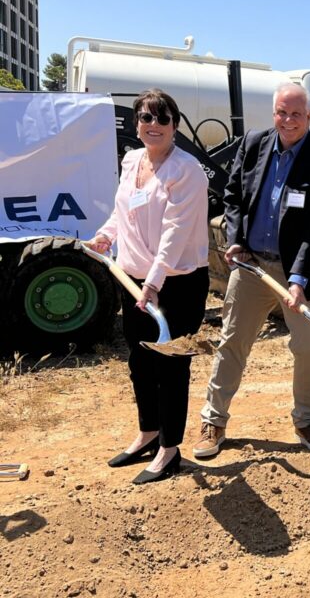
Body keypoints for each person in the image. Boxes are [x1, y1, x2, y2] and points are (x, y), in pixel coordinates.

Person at [193, 83, 310, 458]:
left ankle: (307, 420)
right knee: (232, 342)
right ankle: (213, 421)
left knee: (309, 349)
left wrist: (297, 279)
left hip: (306, 275)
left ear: (309, 117)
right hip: (252, 265)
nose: (287, 121)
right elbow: (233, 196)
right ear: (273, 113)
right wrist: (235, 239)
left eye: (295, 114)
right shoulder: (254, 144)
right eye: (281, 112)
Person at [88, 89, 209, 484]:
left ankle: (170, 449)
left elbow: (175, 232)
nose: (152, 125)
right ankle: (148, 432)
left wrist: (153, 284)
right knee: (139, 362)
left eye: (161, 118)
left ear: (174, 125)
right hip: (133, 277)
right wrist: (107, 236)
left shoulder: (186, 170)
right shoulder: (131, 159)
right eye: (145, 117)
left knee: (171, 367)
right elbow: (124, 211)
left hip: (177, 283)